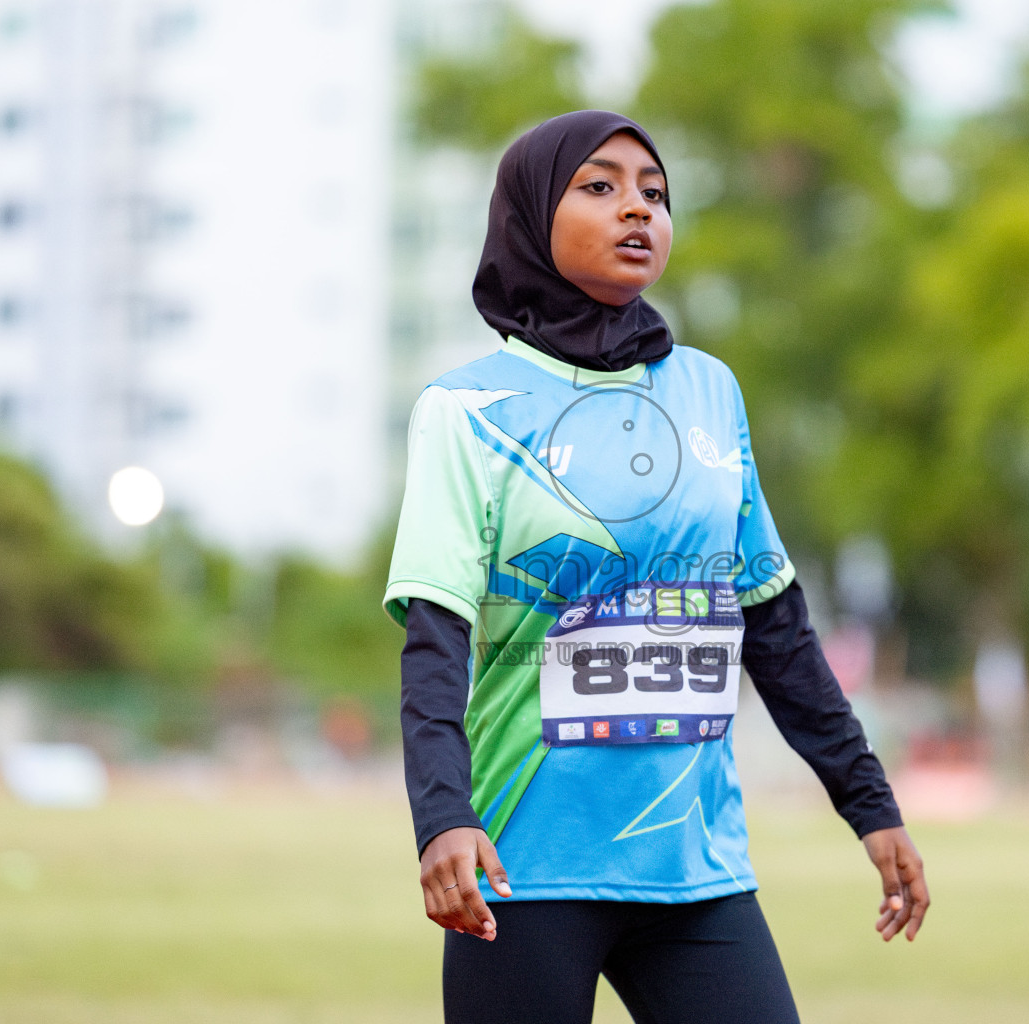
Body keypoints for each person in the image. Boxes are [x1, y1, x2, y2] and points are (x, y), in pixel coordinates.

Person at [385, 109, 928, 1024]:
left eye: (655, 193)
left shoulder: (709, 390)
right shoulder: (467, 410)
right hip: (522, 867)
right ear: (528, 216)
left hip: (695, 867)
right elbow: (437, 645)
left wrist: (870, 805)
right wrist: (443, 818)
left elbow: (775, 626)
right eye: (599, 187)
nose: (637, 209)